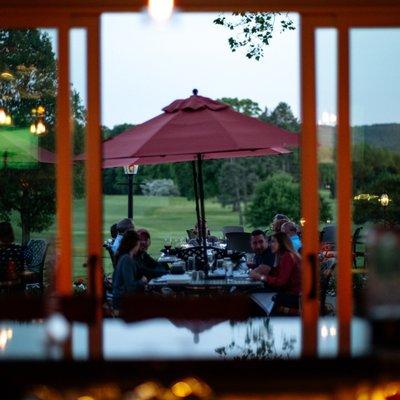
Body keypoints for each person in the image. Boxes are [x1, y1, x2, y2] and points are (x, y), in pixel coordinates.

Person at [250, 231, 301, 314]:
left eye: (273, 241)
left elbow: (281, 282)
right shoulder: (283, 256)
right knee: (254, 294)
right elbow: (278, 274)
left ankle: (264, 322)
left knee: (254, 296)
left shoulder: (288, 256)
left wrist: (260, 277)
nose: (270, 245)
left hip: (295, 297)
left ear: (281, 243)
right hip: (292, 294)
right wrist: (268, 271)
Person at [112, 229, 146, 309]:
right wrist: (142, 281)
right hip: (123, 302)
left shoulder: (124, 257)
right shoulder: (127, 259)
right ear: (135, 244)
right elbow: (130, 287)